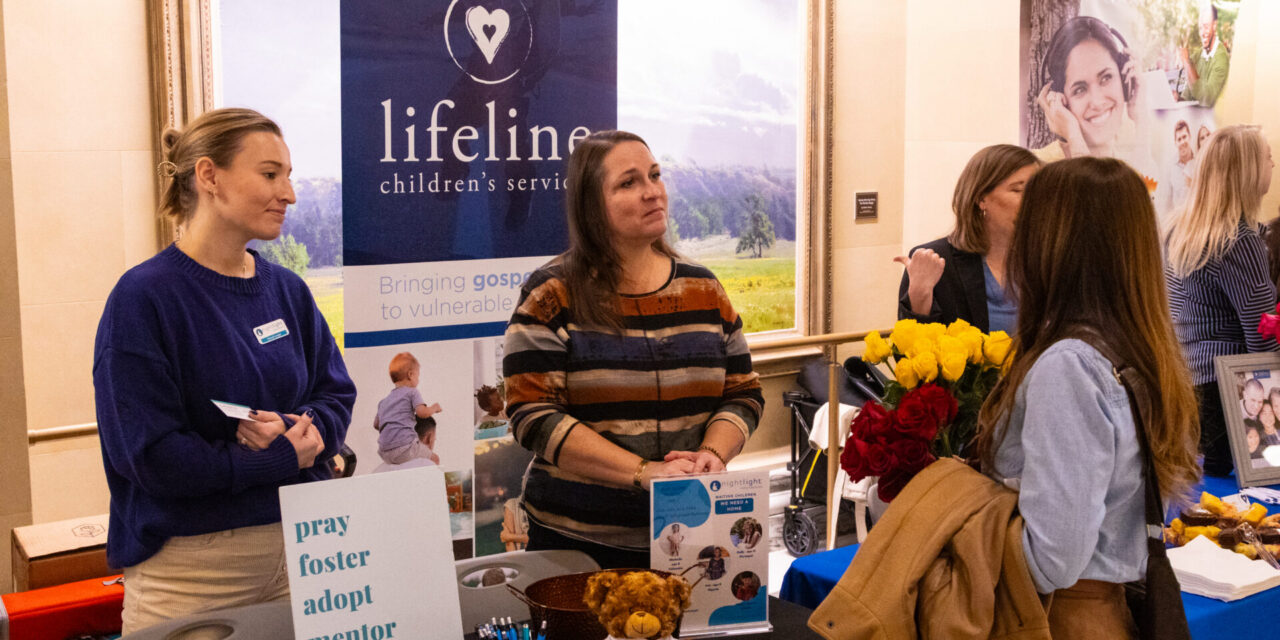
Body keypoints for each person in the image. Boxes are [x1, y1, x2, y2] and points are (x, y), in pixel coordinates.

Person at [93, 108, 356, 633]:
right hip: (195, 576)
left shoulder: (288, 290)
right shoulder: (144, 299)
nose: (289, 193)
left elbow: (336, 395)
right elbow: (149, 456)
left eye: (289, 175)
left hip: (311, 553)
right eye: (269, 174)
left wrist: (303, 431)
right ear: (209, 176)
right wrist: (274, 461)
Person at [503, 130, 764, 569]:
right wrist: (644, 472)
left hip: (694, 544)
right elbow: (532, 415)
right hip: (577, 548)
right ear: (591, 205)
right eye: (629, 183)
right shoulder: (551, 293)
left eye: (655, 176)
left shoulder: (703, 288)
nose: (652, 192)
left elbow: (743, 392)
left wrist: (713, 454)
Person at [975, 157, 1200, 638]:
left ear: (1051, 244)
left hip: (1060, 617)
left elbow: (1054, 559)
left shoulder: (1069, 367)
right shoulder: (1137, 349)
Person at [1166, 124, 1276, 476]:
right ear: (1248, 172)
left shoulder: (1176, 230)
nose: (1273, 166)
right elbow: (1262, 334)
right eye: (1268, 159)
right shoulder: (1239, 239)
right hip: (1228, 392)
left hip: (1185, 380)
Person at [896, 145, 1040, 333]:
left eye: (1036, 190)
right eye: (1018, 190)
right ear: (981, 198)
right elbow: (909, 355)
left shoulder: (1046, 259)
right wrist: (919, 295)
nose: (1033, 200)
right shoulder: (938, 261)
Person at [1034, 16, 1156, 181]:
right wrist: (1074, 137)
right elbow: (1093, 201)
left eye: (1106, 78)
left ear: (1125, 80)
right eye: (1079, 90)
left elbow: (1147, 198)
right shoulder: (1036, 170)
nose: (1097, 102)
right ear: (1060, 98)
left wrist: (1142, 121)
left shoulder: (1130, 163)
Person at [374, 352, 442, 465]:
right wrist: (434, 408)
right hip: (404, 448)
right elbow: (422, 413)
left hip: (384, 452)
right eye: (418, 376)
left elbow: (376, 425)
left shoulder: (383, 402)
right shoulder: (412, 392)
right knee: (435, 459)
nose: (418, 380)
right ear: (411, 375)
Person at [1179, 1, 1230, 108]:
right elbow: (1188, 96)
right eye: (1200, 28)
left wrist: (1187, 63)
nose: (1202, 33)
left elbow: (1206, 98)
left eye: (1206, 27)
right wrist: (1177, 99)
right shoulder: (1198, 55)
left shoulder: (1221, 58)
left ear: (1215, 25)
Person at [1157, 120, 1196, 218]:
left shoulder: (1199, 162)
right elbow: (1167, 201)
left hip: (1198, 222)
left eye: (1184, 137)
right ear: (1175, 142)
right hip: (1179, 223)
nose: (1182, 142)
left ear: (1190, 137)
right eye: (1179, 139)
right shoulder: (1170, 167)